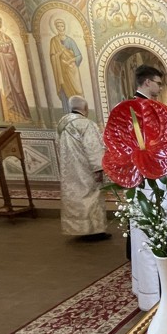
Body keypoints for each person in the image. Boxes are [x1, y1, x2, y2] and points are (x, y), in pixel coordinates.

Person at [56, 95, 109, 242]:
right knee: (91, 196)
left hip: (69, 168)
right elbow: (93, 147)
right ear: (85, 108)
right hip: (86, 169)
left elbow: (59, 146)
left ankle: (79, 229)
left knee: (76, 197)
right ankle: (95, 231)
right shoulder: (86, 124)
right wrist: (98, 168)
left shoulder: (62, 124)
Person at [49, 18, 83, 113]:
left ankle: (78, 113)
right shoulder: (54, 41)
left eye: (62, 26)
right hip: (61, 72)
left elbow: (79, 56)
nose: (60, 28)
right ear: (56, 28)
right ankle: (67, 113)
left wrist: (70, 61)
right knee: (64, 92)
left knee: (76, 91)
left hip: (71, 70)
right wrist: (58, 54)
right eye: (58, 26)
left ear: (64, 27)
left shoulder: (70, 41)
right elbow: (52, 56)